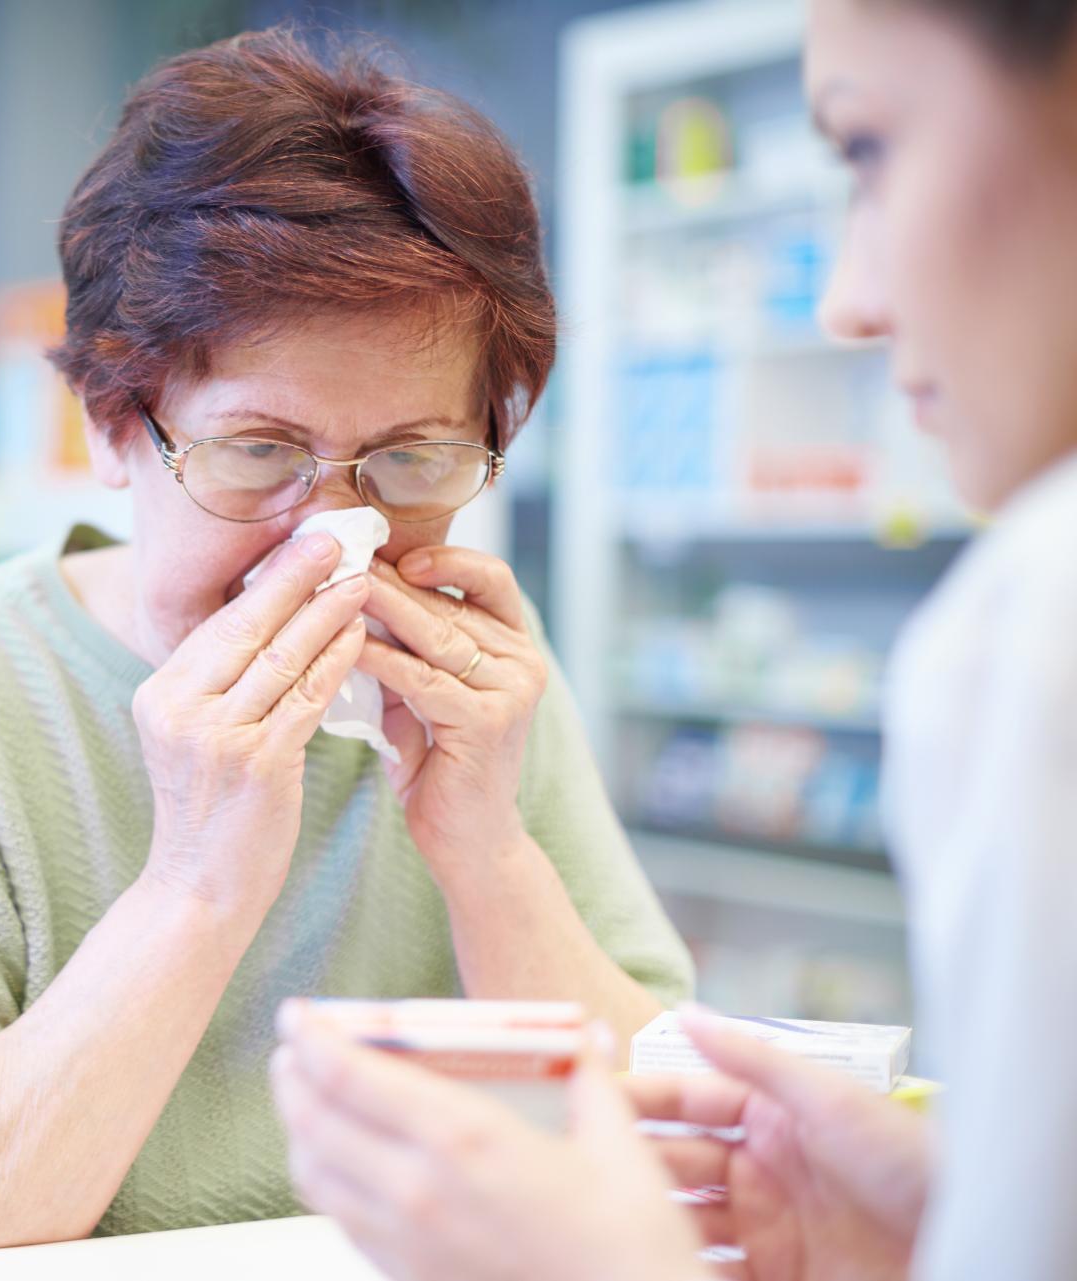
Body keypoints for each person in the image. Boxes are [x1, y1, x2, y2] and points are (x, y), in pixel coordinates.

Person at [0, 28, 693, 1268]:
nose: (337, 538)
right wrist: (194, 885)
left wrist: (488, 850)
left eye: (412, 458)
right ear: (112, 426)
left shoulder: (475, 679)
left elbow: (675, 1152)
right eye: (260, 452)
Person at [272, 1, 1077, 1279]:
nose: (851, 303)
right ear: (116, 425)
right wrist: (946, 1232)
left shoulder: (1034, 619)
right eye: (255, 449)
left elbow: (645, 1066)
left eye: (870, 149)